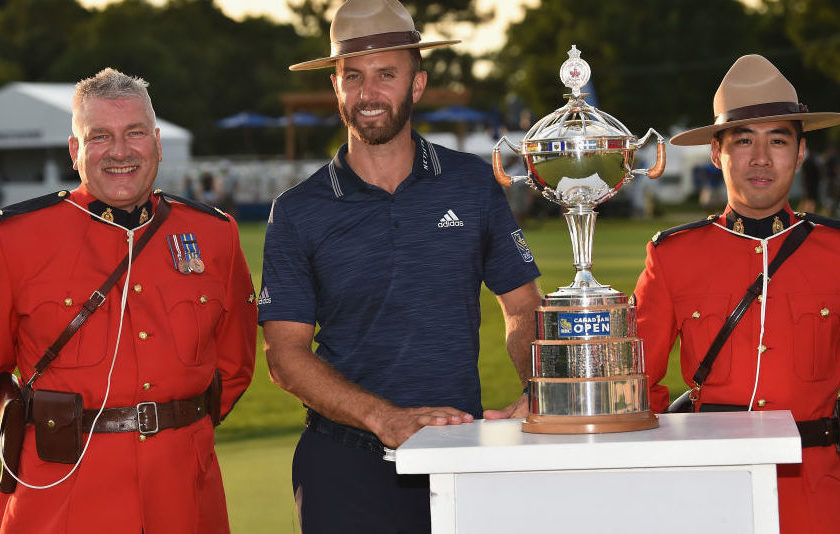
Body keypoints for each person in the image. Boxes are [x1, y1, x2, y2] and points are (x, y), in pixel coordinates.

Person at [258, 0, 542, 531]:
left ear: (416, 84)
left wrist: (539, 388)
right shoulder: (297, 210)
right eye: (353, 76)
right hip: (344, 464)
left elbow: (523, 307)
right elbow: (284, 355)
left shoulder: (471, 182)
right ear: (337, 88)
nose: (369, 94)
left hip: (457, 454)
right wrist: (383, 419)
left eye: (386, 74)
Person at [0, 68, 257, 533]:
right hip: (62, 497)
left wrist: (177, 430)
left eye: (135, 133)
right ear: (76, 150)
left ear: (157, 142)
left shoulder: (213, 234)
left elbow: (235, 366)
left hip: (183, 495)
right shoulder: (16, 239)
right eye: (100, 136)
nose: (119, 151)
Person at [634, 54, 840, 534]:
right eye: (744, 140)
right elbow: (638, 385)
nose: (761, 158)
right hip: (708, 493)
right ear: (716, 152)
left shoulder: (835, 253)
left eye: (779, 140)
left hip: (818, 493)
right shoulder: (672, 257)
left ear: (801, 151)